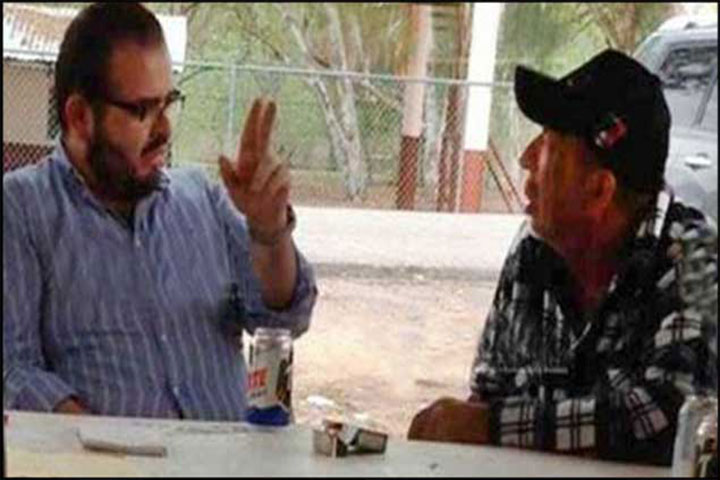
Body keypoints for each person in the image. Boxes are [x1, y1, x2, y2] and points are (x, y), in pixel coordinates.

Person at [3, 3, 317, 421]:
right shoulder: (21, 210)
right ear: (79, 117)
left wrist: (269, 232)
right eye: (142, 111)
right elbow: (14, 369)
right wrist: (100, 444)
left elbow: (285, 319)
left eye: (168, 103)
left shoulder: (203, 199)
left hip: (231, 452)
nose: (165, 129)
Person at [408, 49, 717, 465]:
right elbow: (490, 393)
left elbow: (673, 419)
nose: (526, 158)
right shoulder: (534, 251)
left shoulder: (699, 255)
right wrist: (474, 424)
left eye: (549, 144)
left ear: (599, 190)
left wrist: (489, 427)